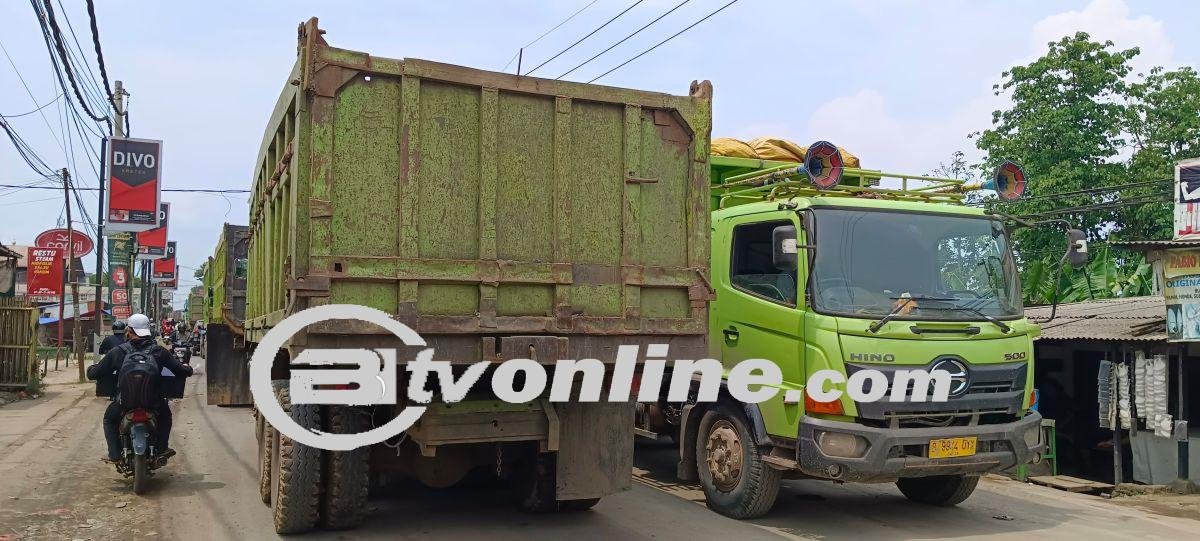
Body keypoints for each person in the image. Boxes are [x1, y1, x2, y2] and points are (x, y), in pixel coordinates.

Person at [87, 313, 193, 463]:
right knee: (166, 417)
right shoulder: (159, 352)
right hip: (154, 402)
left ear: (129, 331)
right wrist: (188, 368)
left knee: (109, 420)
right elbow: (181, 371)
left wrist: (91, 369)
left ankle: (115, 454)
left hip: (124, 402)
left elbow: (94, 374)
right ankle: (162, 449)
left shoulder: (119, 351)